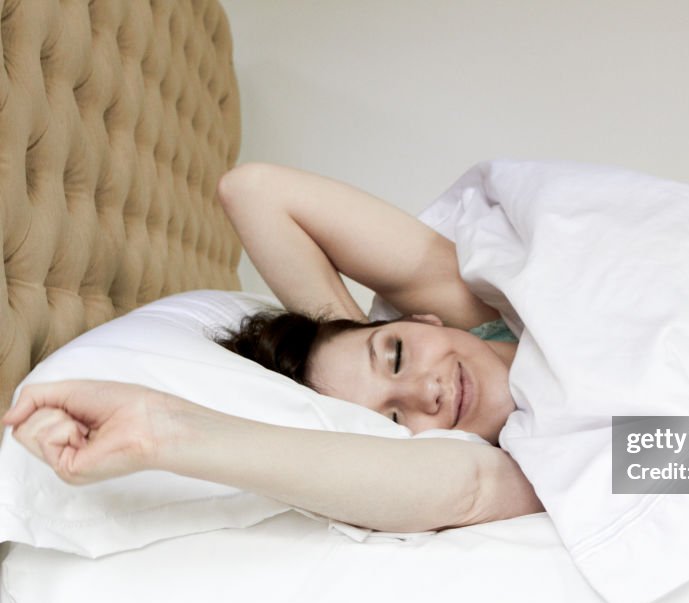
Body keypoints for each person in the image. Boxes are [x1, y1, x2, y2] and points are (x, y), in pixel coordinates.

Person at [3, 163, 544, 532]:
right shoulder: (545, 465)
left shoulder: (481, 312)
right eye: (395, 419)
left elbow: (252, 190)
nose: (426, 390)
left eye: (398, 352)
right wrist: (165, 430)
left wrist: (354, 337)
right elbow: (465, 489)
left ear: (424, 319)